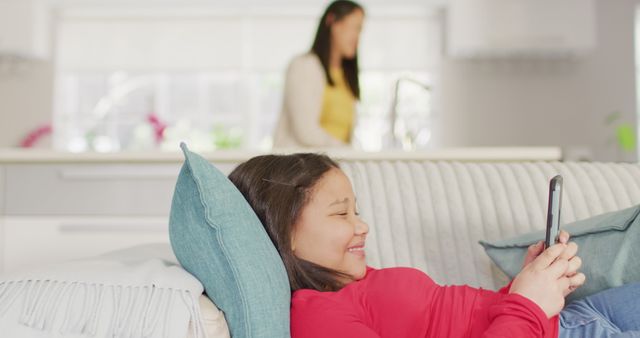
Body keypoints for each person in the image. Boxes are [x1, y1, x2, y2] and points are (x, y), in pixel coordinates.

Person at [228, 153, 640, 338]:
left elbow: (462, 321)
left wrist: (524, 288)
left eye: (358, 210)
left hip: (563, 317)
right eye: (341, 214)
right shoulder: (317, 317)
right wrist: (528, 305)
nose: (363, 226)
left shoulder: (355, 282)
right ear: (284, 234)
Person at [273, 0, 364, 148]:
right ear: (332, 21)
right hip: (303, 166)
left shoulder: (347, 77)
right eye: (354, 28)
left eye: (360, 30)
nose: (357, 37)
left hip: (334, 163)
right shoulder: (304, 66)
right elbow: (306, 132)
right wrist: (347, 151)